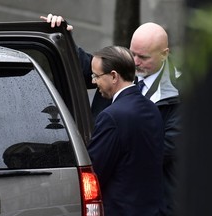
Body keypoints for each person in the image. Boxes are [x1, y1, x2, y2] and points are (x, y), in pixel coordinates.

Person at [41, 14, 181, 216]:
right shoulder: (119, 73)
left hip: (144, 198)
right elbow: (89, 68)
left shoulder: (182, 93)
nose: (135, 62)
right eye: (132, 54)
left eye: (143, 57)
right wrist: (63, 36)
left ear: (164, 54)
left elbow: (161, 150)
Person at [86, 45, 165, 215]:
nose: (93, 81)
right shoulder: (152, 108)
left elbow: (94, 172)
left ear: (114, 76)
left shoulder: (111, 117)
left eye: (96, 76)